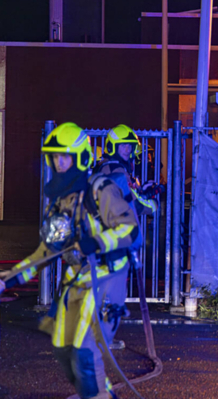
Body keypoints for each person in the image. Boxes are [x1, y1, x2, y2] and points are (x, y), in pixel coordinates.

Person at [0, 122, 138, 399]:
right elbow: (48, 250)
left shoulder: (101, 190)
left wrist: (96, 242)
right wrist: (11, 278)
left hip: (107, 281)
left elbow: (131, 229)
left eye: (65, 157)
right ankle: (99, 392)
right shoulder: (60, 202)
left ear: (81, 158)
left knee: (85, 351)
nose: (59, 164)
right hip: (78, 281)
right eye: (55, 157)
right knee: (63, 346)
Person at [91, 125, 158, 347]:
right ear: (113, 147)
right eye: (123, 146)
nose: (128, 150)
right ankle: (104, 339)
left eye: (130, 145)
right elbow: (134, 204)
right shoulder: (118, 172)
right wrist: (152, 202)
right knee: (114, 292)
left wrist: (142, 191)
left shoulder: (104, 168)